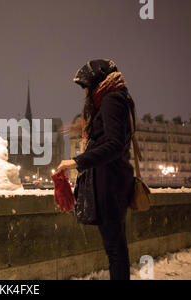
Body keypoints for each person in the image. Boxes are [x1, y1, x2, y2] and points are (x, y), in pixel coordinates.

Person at [57, 59, 136, 280]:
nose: (86, 93)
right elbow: (110, 135)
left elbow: (113, 144)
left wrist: (76, 162)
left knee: (115, 250)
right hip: (114, 180)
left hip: (111, 183)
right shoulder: (119, 97)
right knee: (116, 248)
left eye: (87, 86)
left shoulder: (112, 99)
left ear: (98, 81)